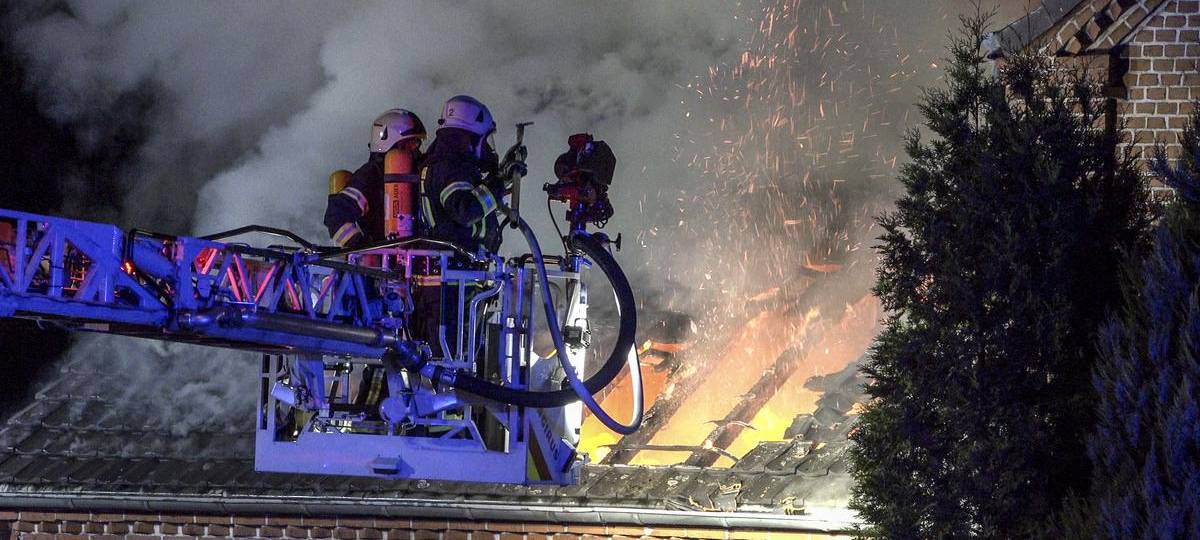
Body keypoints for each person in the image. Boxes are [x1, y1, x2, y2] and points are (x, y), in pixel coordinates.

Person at [418, 95, 523, 255]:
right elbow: (466, 211)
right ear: (471, 139)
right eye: (485, 140)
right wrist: (499, 183)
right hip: (456, 265)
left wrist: (503, 177)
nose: (488, 148)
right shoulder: (449, 167)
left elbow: (477, 202)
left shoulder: (449, 164)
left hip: (461, 262)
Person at [324, 109, 426, 248]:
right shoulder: (371, 175)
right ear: (389, 140)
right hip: (384, 258)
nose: (416, 149)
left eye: (417, 143)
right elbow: (336, 215)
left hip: (418, 255)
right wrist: (362, 247)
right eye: (411, 142)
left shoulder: (417, 171)